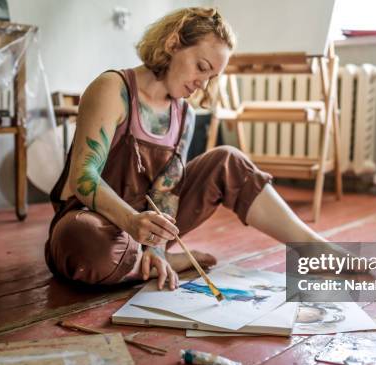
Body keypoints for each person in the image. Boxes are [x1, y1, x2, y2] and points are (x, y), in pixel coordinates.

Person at [45, 7, 332, 291]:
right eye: (202, 67)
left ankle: (314, 248)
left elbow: (165, 192)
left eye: (211, 77)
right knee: (83, 240)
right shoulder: (112, 88)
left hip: (146, 230)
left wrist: (155, 248)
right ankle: (147, 261)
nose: (202, 83)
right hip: (96, 220)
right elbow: (83, 177)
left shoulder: (185, 115)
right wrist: (131, 221)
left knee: (228, 160)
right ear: (173, 44)